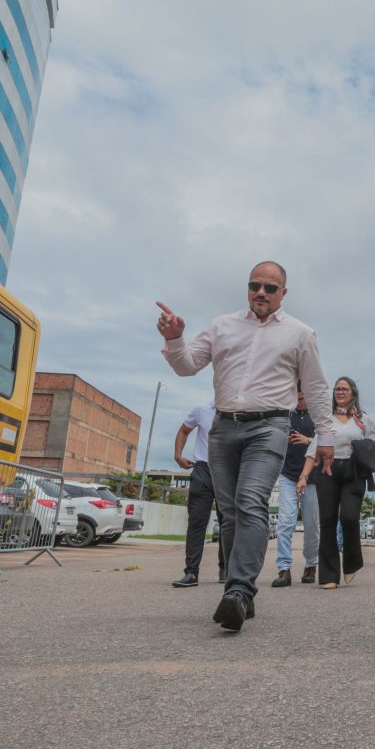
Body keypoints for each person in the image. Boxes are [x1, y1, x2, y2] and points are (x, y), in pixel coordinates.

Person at [156, 262, 334, 633]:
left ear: (283, 293)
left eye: (271, 288)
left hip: (270, 427)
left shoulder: (301, 334)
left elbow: (316, 388)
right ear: (247, 287)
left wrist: (326, 437)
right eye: (255, 286)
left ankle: (237, 591)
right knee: (231, 513)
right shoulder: (222, 326)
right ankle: (243, 593)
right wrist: (175, 340)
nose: (261, 293)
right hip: (224, 428)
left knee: (251, 500)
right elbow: (188, 366)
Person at [298, 376, 374, 589]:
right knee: (328, 521)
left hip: (354, 472)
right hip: (327, 471)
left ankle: (352, 563)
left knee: (349, 518)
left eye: (344, 389)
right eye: (337, 389)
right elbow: (313, 450)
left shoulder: (364, 420)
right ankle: (329, 575)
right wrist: (303, 477)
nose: (340, 392)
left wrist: (360, 447)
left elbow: (373, 447)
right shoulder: (326, 421)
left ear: (353, 393)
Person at [171, 400, 226, 587]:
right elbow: (184, 430)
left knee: (227, 522)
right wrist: (178, 455)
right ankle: (191, 573)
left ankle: (225, 569)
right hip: (202, 470)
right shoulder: (201, 410)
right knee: (196, 522)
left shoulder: (240, 410)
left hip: (227, 471)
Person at [272, 389, 321, 587]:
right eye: (297, 398)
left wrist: (307, 440)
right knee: (285, 522)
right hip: (288, 476)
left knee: (312, 526)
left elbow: (326, 444)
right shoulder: (286, 416)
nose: (299, 402)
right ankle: (284, 569)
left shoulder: (318, 417)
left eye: (302, 398)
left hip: (313, 479)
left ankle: (311, 564)